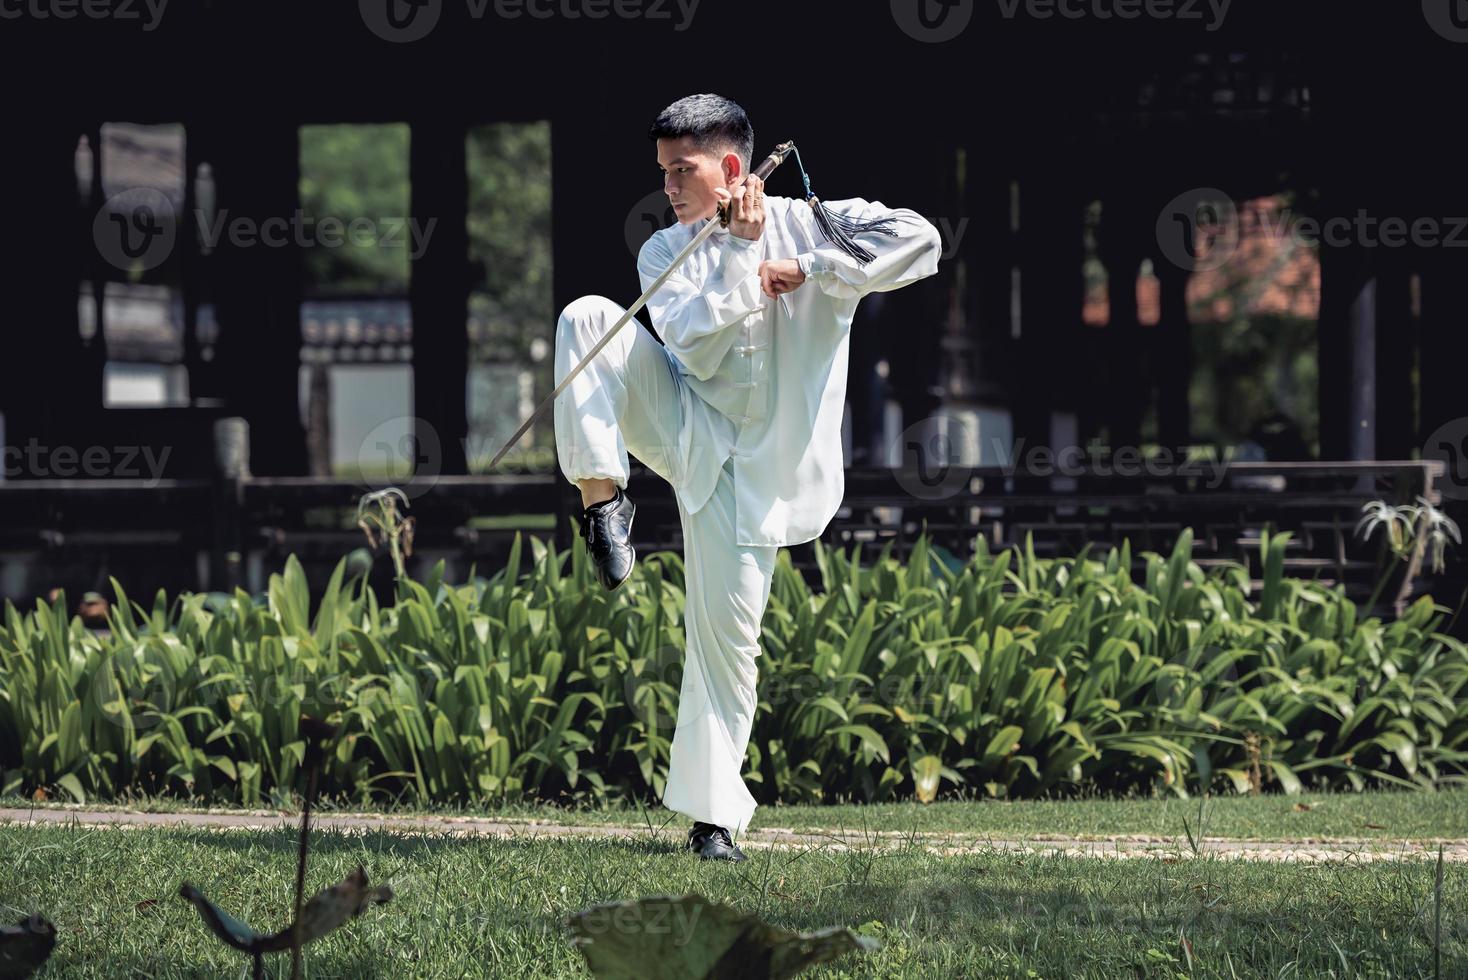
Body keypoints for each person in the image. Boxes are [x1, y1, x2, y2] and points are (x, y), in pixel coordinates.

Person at [553, 93, 942, 861]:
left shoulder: (815, 220)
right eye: (663, 171)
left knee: (727, 638)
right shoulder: (665, 252)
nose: (667, 187)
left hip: (764, 468)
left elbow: (923, 241)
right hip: (687, 425)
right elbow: (693, 347)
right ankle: (603, 502)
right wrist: (737, 251)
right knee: (586, 319)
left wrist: (812, 265)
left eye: (681, 171)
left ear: (732, 166)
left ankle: (713, 821)